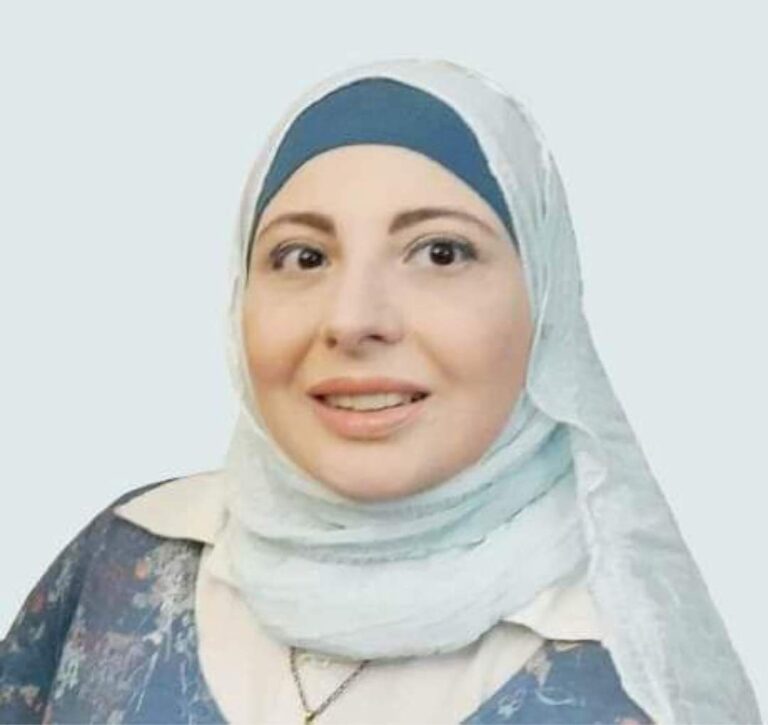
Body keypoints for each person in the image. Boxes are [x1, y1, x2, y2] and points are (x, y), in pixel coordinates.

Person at [0, 58, 761, 725]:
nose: (352, 319)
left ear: (547, 305)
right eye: (303, 257)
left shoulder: (634, 664)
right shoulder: (131, 554)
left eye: (440, 252)